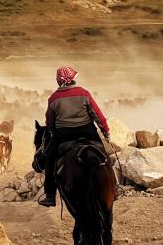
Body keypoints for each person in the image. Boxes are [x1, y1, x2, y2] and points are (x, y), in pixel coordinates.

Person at [37, 66, 110, 208]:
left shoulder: (53, 98)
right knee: (103, 155)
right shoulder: (84, 93)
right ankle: (113, 186)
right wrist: (105, 131)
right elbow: (98, 115)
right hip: (88, 132)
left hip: (63, 135)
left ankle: (50, 196)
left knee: (50, 159)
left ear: (59, 80)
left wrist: (53, 131)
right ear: (72, 79)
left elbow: (49, 122)